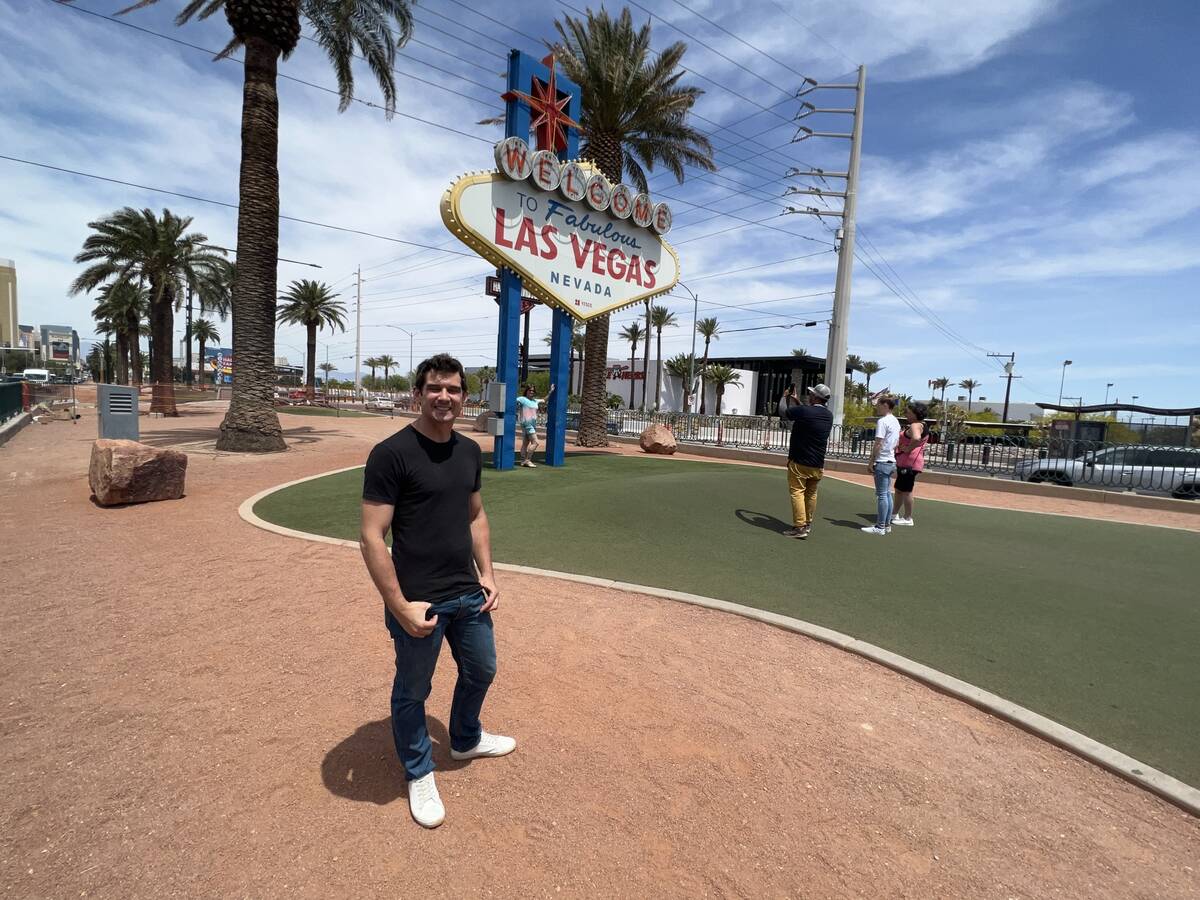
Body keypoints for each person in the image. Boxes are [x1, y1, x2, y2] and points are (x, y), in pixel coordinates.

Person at [359, 353, 514, 830]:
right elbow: (371, 536)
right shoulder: (391, 454)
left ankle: (465, 738)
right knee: (413, 690)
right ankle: (419, 770)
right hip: (419, 600)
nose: (444, 397)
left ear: (464, 397)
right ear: (418, 394)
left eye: (453, 389)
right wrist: (399, 606)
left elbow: (475, 515)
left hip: (467, 593)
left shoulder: (468, 451)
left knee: (482, 668)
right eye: (434, 388)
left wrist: (488, 574)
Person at [777, 383, 834, 539]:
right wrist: (798, 402)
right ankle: (807, 524)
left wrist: (784, 397)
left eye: (811, 394)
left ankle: (799, 527)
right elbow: (809, 413)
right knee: (811, 494)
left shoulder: (804, 411)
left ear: (815, 397)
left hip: (800, 461)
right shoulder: (828, 415)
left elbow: (783, 411)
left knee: (797, 492)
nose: (809, 395)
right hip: (817, 463)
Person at [862, 395, 901, 536]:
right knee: (887, 493)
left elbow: (878, 443)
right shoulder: (895, 421)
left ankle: (880, 526)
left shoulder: (882, 421)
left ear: (885, 405)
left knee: (882, 495)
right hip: (891, 461)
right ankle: (886, 524)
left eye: (878, 405)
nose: (876, 407)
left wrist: (871, 461)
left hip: (883, 461)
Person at [892, 402, 929, 526]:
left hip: (910, 463)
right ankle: (894, 513)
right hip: (907, 462)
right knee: (899, 489)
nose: (906, 414)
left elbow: (917, 438)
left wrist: (907, 449)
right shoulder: (922, 424)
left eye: (908, 412)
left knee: (906, 490)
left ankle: (908, 518)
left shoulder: (915, 425)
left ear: (915, 413)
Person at [515, 382, 555, 468]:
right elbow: (511, 400)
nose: (531, 392)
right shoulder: (522, 399)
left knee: (525, 443)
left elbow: (544, 400)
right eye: (530, 390)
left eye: (533, 391)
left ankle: (523, 461)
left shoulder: (535, 401)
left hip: (532, 425)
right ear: (526, 391)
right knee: (536, 442)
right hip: (527, 425)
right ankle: (528, 460)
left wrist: (551, 391)